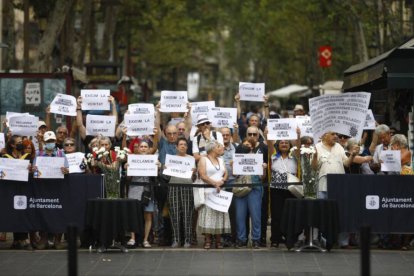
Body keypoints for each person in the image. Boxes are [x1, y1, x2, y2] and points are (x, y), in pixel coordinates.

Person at [33, 131, 69, 250]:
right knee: (44, 211)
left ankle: (57, 240)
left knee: (58, 212)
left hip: (58, 187)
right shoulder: (38, 154)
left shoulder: (61, 154)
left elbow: (67, 169)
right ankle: (43, 239)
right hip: (43, 187)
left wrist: (66, 170)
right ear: (44, 142)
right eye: (48, 141)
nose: (50, 143)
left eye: (52, 141)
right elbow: (34, 171)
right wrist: (34, 169)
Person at [234, 131, 267, 249]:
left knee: (256, 215)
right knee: (240, 215)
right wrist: (234, 166)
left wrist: (263, 169)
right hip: (240, 188)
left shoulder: (258, 159)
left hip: (255, 188)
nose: (247, 146)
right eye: (245, 144)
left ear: (253, 147)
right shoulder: (237, 158)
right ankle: (241, 239)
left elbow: (262, 178)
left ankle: (256, 239)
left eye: (249, 145)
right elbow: (234, 175)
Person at [125, 140, 159, 248]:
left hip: (148, 190)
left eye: (145, 146)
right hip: (134, 189)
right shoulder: (132, 160)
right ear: (138, 148)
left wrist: (159, 166)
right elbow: (128, 178)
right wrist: (127, 168)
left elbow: (157, 177)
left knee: (148, 214)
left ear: (149, 149)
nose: (143, 148)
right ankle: (132, 238)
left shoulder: (154, 160)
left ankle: (145, 240)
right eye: (141, 146)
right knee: (132, 214)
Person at [197, 140, 230, 249]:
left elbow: (226, 173)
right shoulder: (203, 159)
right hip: (208, 192)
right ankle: (208, 240)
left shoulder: (221, 160)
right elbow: (202, 175)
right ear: (212, 149)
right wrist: (214, 183)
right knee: (208, 216)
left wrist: (222, 181)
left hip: (219, 192)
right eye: (219, 146)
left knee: (219, 215)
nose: (222, 148)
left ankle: (218, 240)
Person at [2, 135, 32, 250]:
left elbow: (33, 172)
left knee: (23, 212)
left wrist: (31, 169)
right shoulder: (5, 157)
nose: (21, 144)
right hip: (10, 190)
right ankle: (17, 240)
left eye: (22, 142)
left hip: (24, 189)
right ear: (12, 145)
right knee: (14, 213)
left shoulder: (27, 157)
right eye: (19, 142)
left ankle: (24, 239)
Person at [268, 138, 298, 248]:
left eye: (286, 143)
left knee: (290, 214)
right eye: (281, 143)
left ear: (290, 145)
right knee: (276, 215)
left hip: (292, 189)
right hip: (276, 189)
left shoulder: (295, 156)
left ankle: (290, 238)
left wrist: (298, 136)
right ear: (278, 145)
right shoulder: (273, 156)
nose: (284, 144)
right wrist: (268, 135)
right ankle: (275, 238)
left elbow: (298, 147)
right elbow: (270, 145)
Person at [168, 137, 196, 248]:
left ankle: (187, 240)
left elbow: (194, 177)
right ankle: (176, 239)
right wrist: (164, 168)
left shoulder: (191, 159)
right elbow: (166, 175)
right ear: (176, 147)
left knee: (187, 213)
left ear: (187, 147)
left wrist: (194, 172)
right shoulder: (171, 159)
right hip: (173, 186)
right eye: (180, 144)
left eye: (185, 144)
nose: (183, 146)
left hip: (187, 186)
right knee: (174, 213)